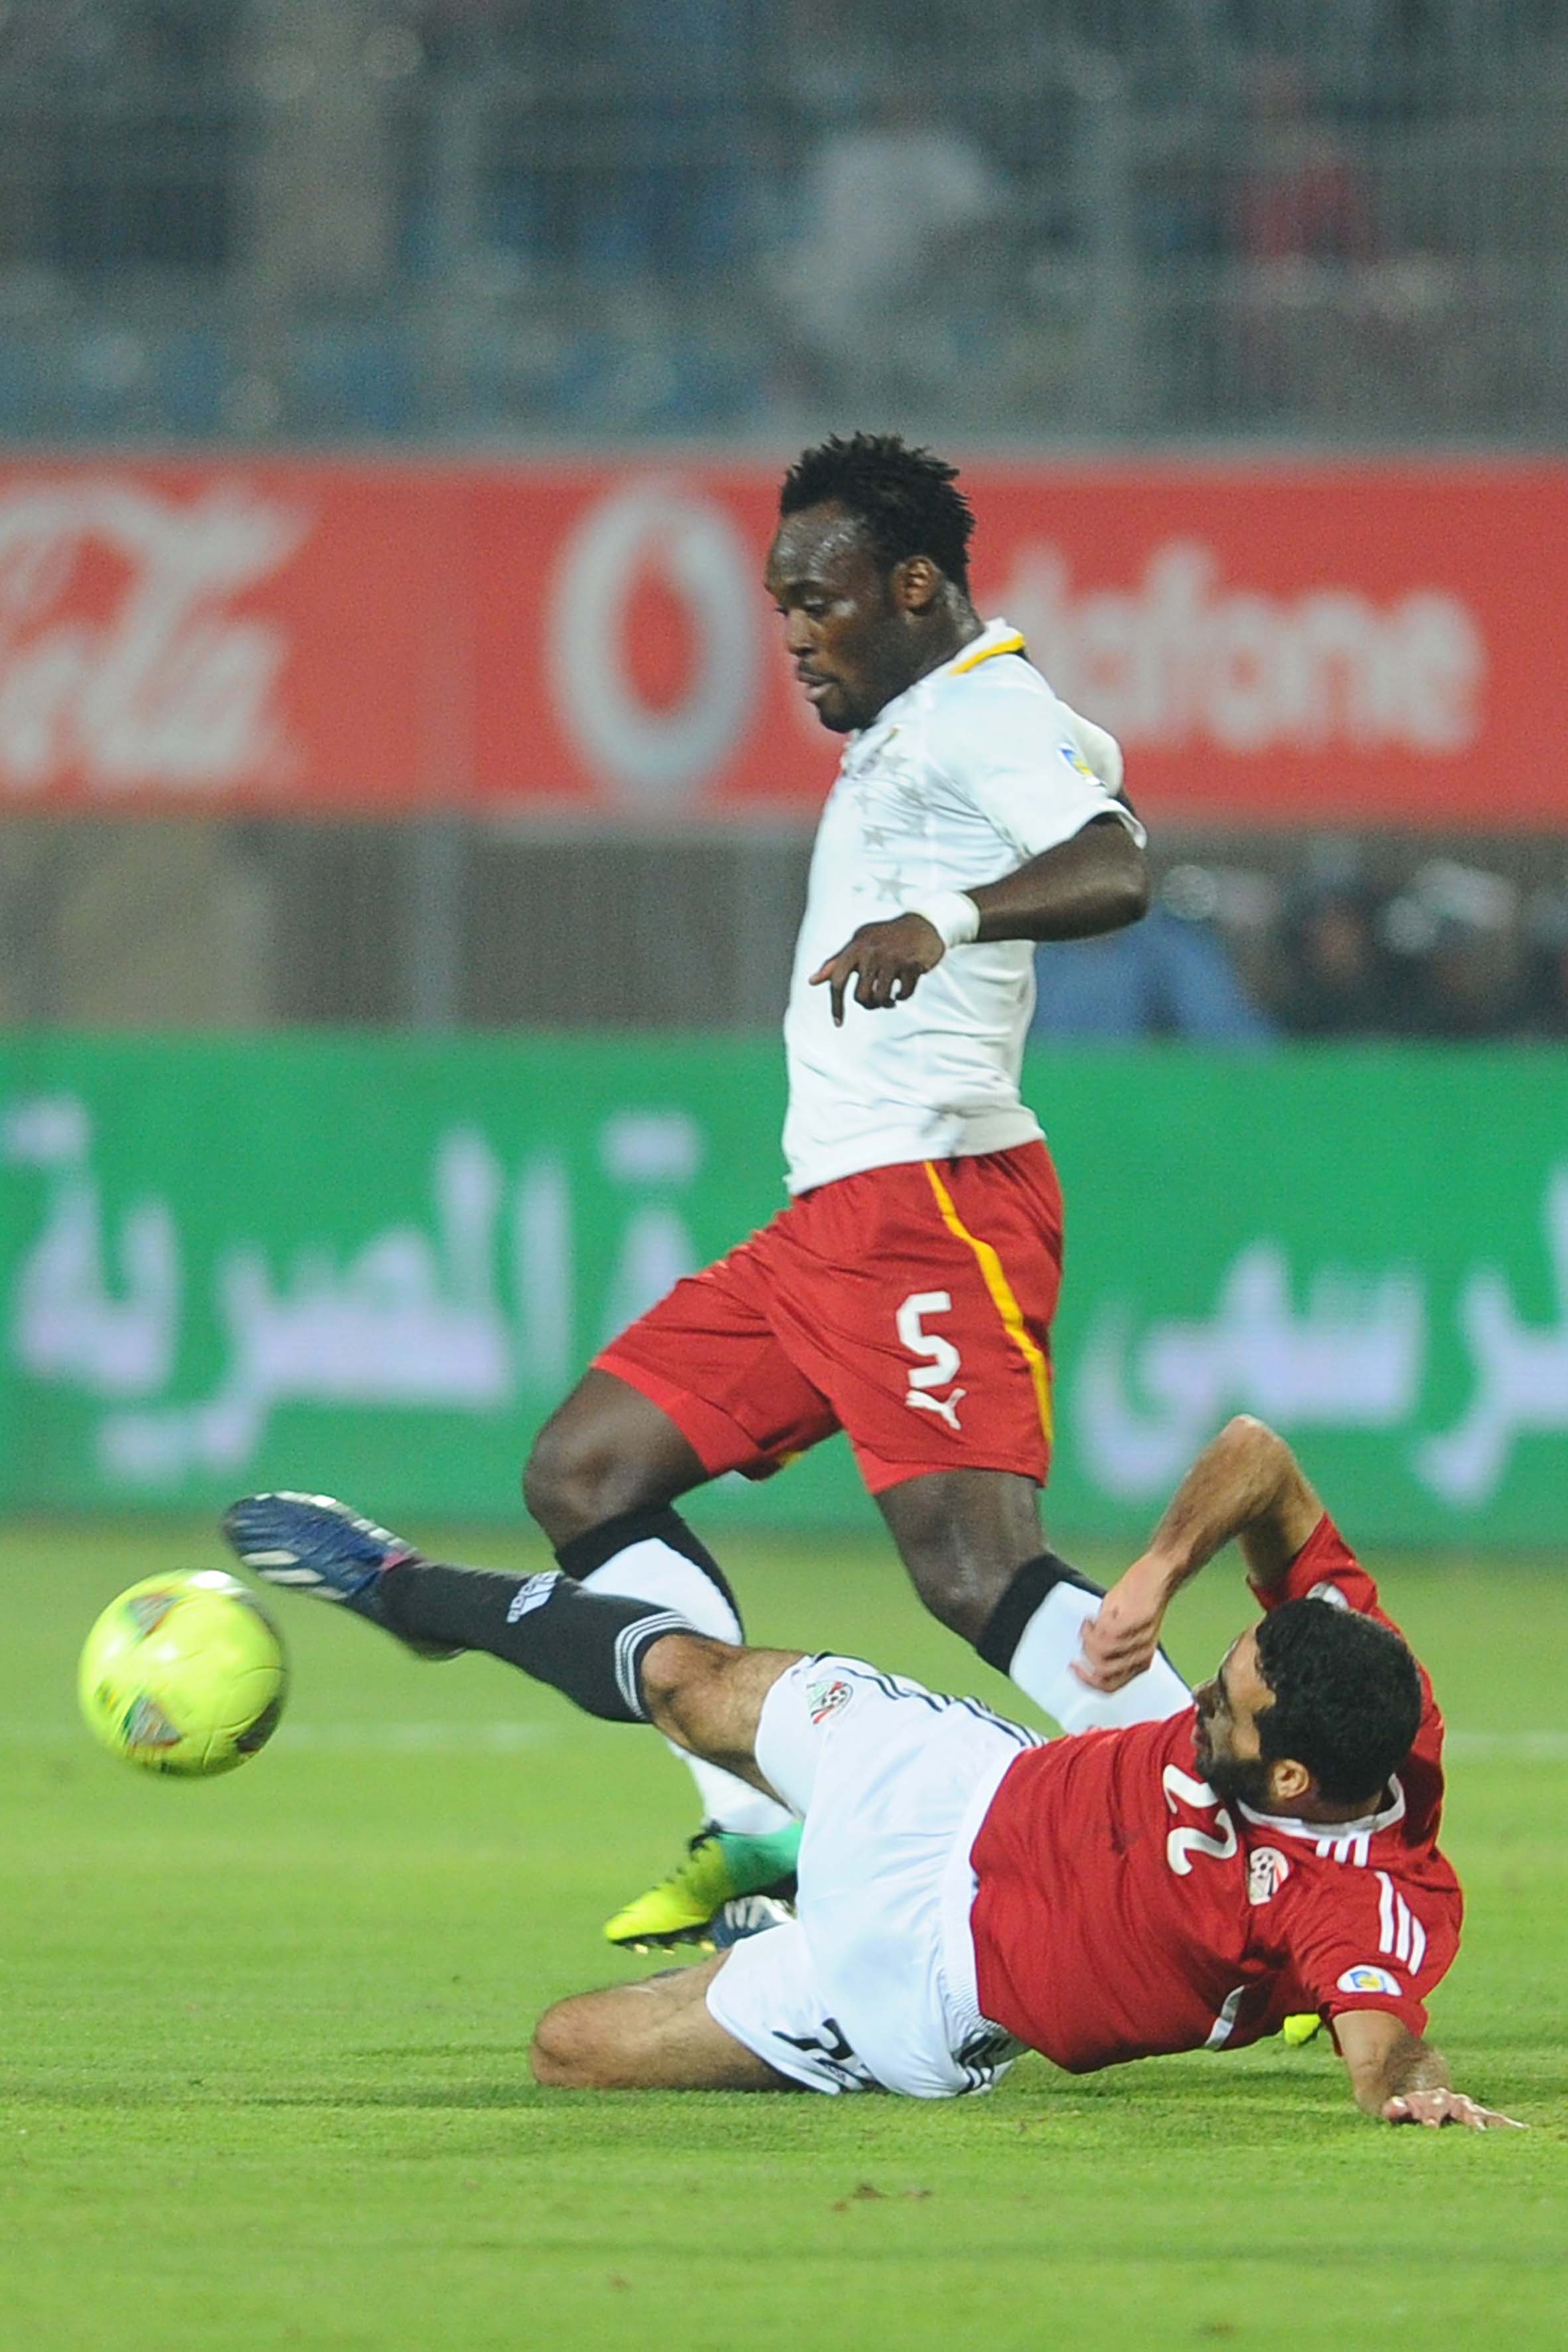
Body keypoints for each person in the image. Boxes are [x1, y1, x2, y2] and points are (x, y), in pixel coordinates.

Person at [516, 431, 1152, 1950]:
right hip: (833, 1218)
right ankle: (760, 1829)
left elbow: (1114, 863)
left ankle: (1233, 1835)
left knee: (973, 1571)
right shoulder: (916, 721)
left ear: (914, 583)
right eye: (780, 604)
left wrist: (945, 918)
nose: (794, 634)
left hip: (934, 1197)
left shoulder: (979, 711)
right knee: (586, 1473)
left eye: (820, 600)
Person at [222, 1415, 1518, 2128]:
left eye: (1223, 1713)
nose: (1196, 1704)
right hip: (958, 1782)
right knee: (687, 1680)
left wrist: (1415, 2096)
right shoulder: (1362, 1674)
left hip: (928, 1981)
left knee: (568, 2048)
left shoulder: (1362, 1904)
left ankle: (771, 1942)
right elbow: (1258, 1456)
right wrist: (1161, 1568)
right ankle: (410, 1592)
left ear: (1289, 1782)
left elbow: (1383, 2048)